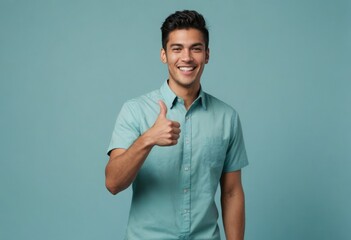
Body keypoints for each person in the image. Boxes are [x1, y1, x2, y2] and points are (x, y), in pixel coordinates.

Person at [105, 10, 248, 240]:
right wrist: (148, 139)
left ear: (207, 55)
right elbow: (113, 183)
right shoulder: (135, 110)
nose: (187, 57)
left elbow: (231, 193)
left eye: (196, 48)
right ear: (164, 55)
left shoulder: (227, 117)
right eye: (177, 48)